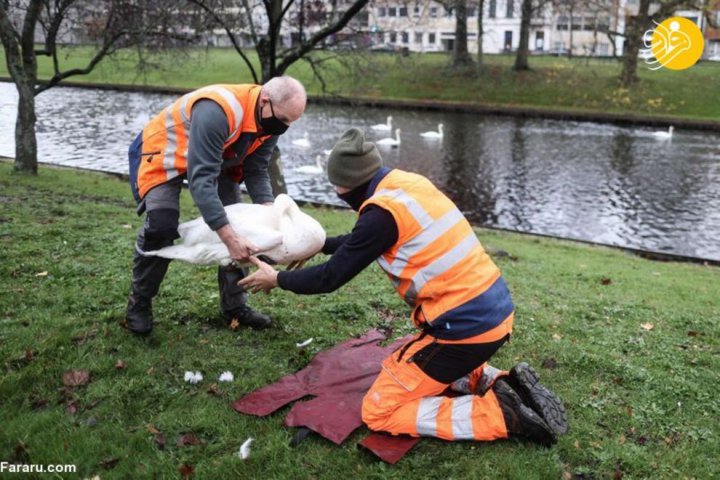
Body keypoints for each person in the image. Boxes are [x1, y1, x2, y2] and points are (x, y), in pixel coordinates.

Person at [240, 128, 569, 445]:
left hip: (463, 330)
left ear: (348, 183)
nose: (337, 193)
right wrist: (321, 244)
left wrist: (277, 278)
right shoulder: (406, 185)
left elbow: (330, 278)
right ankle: (498, 382)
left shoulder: (381, 214)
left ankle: (502, 415)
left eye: (337, 186)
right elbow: (361, 241)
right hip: (492, 313)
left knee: (380, 409)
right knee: (402, 361)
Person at [125, 76, 307, 335]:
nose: (285, 127)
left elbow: (256, 169)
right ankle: (139, 302)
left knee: (244, 228)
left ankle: (235, 305)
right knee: (162, 225)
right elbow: (201, 180)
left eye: (291, 121)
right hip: (164, 153)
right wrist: (227, 236)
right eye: (284, 119)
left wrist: (270, 214)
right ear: (265, 102)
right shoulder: (218, 110)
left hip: (218, 158)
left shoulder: (271, 122)